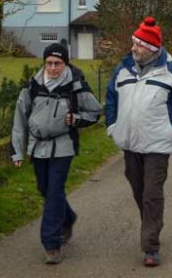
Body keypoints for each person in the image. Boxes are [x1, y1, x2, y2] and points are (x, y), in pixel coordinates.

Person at [105, 16, 172, 267]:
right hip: (130, 142)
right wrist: (112, 125)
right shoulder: (123, 68)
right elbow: (111, 97)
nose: (133, 48)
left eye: (139, 44)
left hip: (158, 144)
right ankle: (151, 222)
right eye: (134, 43)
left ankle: (151, 247)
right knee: (138, 188)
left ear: (152, 49)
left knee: (152, 193)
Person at [11, 42, 103, 265]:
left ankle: (51, 244)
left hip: (63, 146)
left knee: (54, 191)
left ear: (65, 63)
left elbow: (95, 111)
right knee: (44, 188)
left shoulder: (75, 86)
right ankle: (68, 217)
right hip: (37, 146)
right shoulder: (33, 85)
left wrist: (77, 120)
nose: (53, 68)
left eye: (58, 63)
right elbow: (19, 119)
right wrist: (17, 152)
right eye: (49, 63)